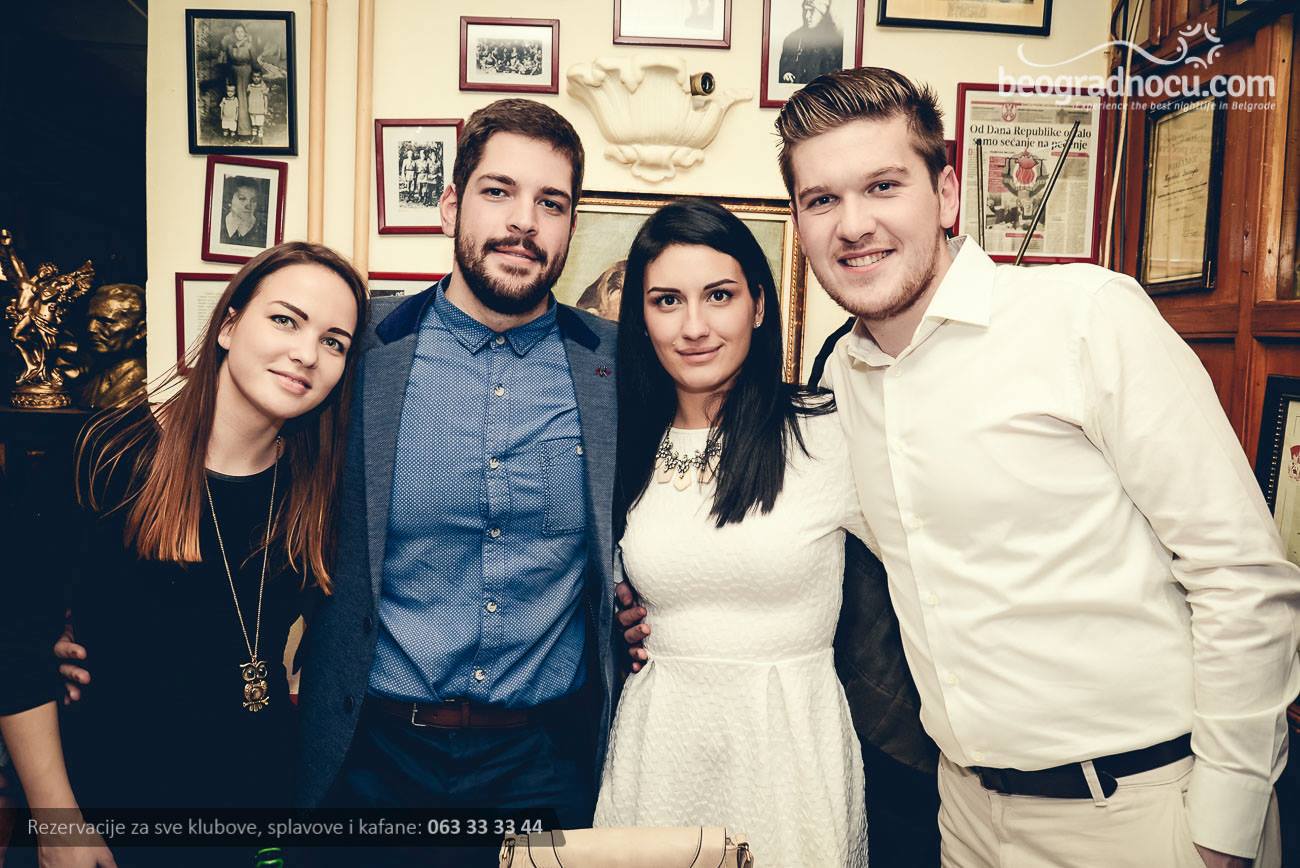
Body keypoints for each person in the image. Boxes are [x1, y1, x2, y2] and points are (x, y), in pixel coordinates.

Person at [776, 66, 1299, 868]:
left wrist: (1222, 827)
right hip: (966, 815)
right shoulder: (843, 377)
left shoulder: (1084, 317)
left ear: (946, 194)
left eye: (883, 185)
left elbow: (1239, 572)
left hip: (1140, 813)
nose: (853, 224)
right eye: (821, 199)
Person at [294, 98, 622, 868]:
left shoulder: (614, 365)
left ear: (571, 226)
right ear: (451, 205)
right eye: (498, 191)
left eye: (551, 203)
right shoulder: (362, 352)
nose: (524, 222)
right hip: (374, 756)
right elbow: (257, 471)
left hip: (544, 763)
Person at [0, 241, 367, 866]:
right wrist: (58, 825)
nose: (307, 353)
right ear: (228, 326)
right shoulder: (109, 455)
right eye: (286, 320)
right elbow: (14, 640)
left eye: (334, 342)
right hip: (113, 813)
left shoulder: (317, 487)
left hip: (257, 815)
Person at [592, 198, 870, 866]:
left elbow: (935, 565)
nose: (694, 327)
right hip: (659, 750)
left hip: (788, 755)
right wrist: (612, 619)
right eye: (667, 301)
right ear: (641, 319)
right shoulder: (621, 442)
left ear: (759, 305)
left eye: (719, 295)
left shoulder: (827, 432)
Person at [78, 282, 147, 410]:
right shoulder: (95, 374)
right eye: (90, 320)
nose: (91, 329)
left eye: (106, 322)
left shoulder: (143, 380)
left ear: (141, 330)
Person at [779, 0, 843, 85]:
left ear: (822, 14)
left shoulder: (835, 43)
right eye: (805, 10)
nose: (806, 16)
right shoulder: (791, 39)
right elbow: (783, 69)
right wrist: (786, 74)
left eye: (811, 10)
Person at [220, 179, 266, 248]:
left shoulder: (263, 229)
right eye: (242, 198)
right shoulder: (218, 223)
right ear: (229, 200)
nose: (248, 206)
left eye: (253, 200)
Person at [246, 69, 269, 141]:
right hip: (252, 109)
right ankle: (254, 137)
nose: (256, 79)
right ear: (252, 77)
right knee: (253, 125)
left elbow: (265, 98)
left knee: (260, 125)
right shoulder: (250, 86)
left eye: (258, 77)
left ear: (261, 77)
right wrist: (248, 106)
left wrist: (265, 108)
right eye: (254, 77)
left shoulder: (263, 86)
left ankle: (260, 139)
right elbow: (248, 97)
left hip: (260, 109)